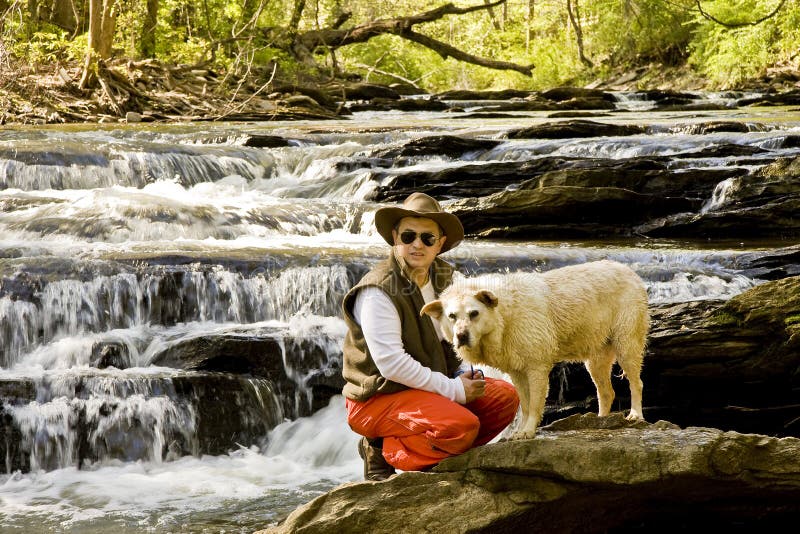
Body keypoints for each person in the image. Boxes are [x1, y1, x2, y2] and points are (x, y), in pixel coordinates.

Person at [341, 192, 520, 480]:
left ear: (440, 243)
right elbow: (391, 364)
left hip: (428, 390)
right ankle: (383, 447)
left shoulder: (447, 279)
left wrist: (466, 373)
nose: (416, 245)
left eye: (427, 238)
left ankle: (439, 451)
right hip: (376, 398)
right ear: (395, 237)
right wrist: (454, 390)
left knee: (505, 398)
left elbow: (461, 334)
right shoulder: (378, 290)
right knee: (459, 426)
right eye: (408, 236)